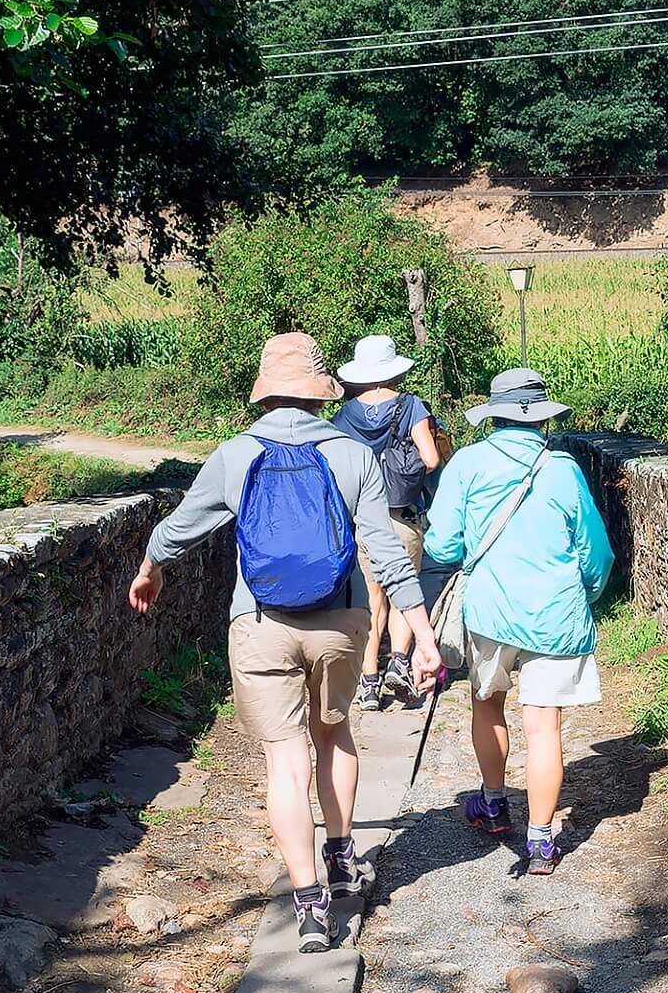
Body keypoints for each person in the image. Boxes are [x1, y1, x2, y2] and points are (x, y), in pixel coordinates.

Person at [128, 331, 443, 951]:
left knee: (284, 755)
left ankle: (307, 904)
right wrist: (423, 631)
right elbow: (383, 548)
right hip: (342, 620)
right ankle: (342, 859)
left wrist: (150, 566)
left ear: (265, 394)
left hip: (261, 622)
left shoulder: (236, 454)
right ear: (321, 393)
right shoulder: (352, 453)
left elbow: (180, 527)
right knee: (335, 734)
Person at [421, 365, 613, 875]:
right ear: (542, 418)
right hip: (555, 612)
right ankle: (543, 841)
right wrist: (585, 594)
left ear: (494, 415)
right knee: (544, 725)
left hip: (492, 611)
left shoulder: (466, 464)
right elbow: (596, 554)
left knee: (487, 704)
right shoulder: (564, 469)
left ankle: (493, 802)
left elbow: (441, 545)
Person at [331, 334, 447, 712]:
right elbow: (430, 459)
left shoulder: (344, 415)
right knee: (404, 591)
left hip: (362, 519)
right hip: (403, 515)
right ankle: (398, 661)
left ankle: (367, 684)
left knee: (371, 600)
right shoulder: (411, 406)